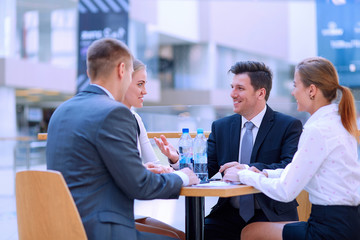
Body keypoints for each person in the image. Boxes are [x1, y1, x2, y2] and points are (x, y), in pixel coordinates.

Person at [46, 38, 199, 240]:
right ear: (121, 70)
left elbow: (88, 171)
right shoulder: (114, 112)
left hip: (63, 227)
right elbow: (140, 186)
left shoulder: (61, 111)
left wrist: (139, 170)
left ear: (90, 72)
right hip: (102, 231)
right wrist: (184, 176)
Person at [223, 57, 360, 240]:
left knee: (250, 232)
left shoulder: (317, 130)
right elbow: (299, 170)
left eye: (296, 85)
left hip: (329, 230)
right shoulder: (338, 122)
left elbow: (286, 191)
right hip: (349, 223)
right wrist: (261, 173)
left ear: (311, 90)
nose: (293, 92)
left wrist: (243, 175)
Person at [204, 61, 303, 240]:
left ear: (260, 93)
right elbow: (208, 168)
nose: (232, 94)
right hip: (228, 213)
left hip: (271, 213)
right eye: (232, 87)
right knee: (199, 233)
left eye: (240, 88)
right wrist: (175, 160)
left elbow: (288, 166)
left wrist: (245, 169)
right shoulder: (221, 126)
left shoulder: (288, 126)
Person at [122, 58, 185, 240]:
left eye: (145, 84)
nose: (145, 91)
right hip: (113, 216)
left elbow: (153, 164)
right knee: (176, 237)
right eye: (140, 84)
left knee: (181, 235)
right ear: (123, 81)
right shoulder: (112, 119)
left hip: (127, 212)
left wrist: (172, 161)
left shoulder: (135, 119)